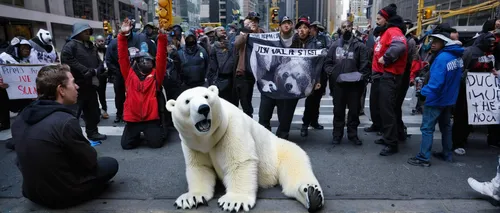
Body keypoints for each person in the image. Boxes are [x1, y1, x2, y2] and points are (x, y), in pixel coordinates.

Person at [11, 64, 118, 209]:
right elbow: (90, 160)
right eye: (73, 82)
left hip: (30, 192)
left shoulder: (21, 116)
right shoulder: (65, 121)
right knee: (110, 163)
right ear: (61, 90)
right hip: (62, 196)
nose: (77, 87)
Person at [407, 28, 464, 167]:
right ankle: (447, 153)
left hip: (436, 99)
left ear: (445, 43)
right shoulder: (456, 57)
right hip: (449, 99)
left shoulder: (442, 58)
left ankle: (423, 157)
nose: (433, 43)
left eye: (437, 41)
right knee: (445, 127)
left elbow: (436, 83)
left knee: (427, 128)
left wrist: (423, 92)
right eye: (432, 40)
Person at [118, 18, 167, 150]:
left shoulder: (156, 75)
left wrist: (162, 37)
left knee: (156, 144)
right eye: (143, 60)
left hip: (150, 119)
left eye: (150, 60)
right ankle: (136, 135)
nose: (147, 62)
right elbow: (122, 56)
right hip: (133, 119)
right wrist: (122, 36)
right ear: (137, 62)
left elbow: (161, 57)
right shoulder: (129, 74)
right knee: (127, 146)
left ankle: (153, 132)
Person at [324, 20, 369, 145]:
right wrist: (332, 73)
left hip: (354, 87)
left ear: (352, 28)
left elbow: (365, 66)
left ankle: (352, 135)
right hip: (338, 86)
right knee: (338, 111)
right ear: (341, 29)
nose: (347, 29)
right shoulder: (334, 45)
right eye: (344, 27)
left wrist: (359, 79)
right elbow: (327, 63)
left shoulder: (360, 46)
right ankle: (337, 135)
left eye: (349, 26)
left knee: (354, 112)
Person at [371, 4, 408, 156]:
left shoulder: (394, 31)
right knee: (385, 109)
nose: (377, 21)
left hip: (390, 76)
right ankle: (389, 136)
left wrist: (385, 59)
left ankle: (392, 143)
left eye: (379, 19)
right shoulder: (387, 32)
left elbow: (400, 46)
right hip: (383, 76)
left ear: (386, 19)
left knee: (388, 110)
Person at [61, 23, 107, 141]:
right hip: (77, 86)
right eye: (84, 31)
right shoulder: (70, 46)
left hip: (90, 85)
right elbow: (68, 60)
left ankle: (93, 132)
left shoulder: (91, 46)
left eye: (88, 31)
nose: (88, 34)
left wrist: (98, 69)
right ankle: (70, 137)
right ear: (77, 33)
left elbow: (98, 60)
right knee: (74, 113)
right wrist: (86, 71)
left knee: (93, 112)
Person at [94, 35, 109, 119]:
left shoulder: (106, 50)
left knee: (102, 95)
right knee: (94, 95)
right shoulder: (93, 51)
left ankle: (104, 110)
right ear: (96, 42)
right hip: (95, 74)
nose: (101, 43)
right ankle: (96, 111)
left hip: (103, 75)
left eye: (102, 41)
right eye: (99, 41)